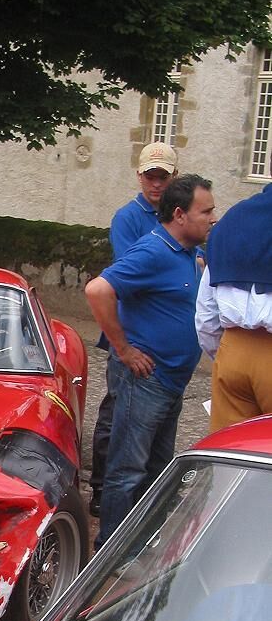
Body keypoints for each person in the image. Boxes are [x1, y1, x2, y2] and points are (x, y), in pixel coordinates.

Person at [85, 174, 216, 547]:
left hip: (171, 381)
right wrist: (124, 350)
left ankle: (141, 543)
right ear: (179, 214)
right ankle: (111, 550)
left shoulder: (189, 253)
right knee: (127, 470)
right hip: (145, 380)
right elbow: (98, 290)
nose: (213, 218)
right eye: (205, 211)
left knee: (157, 469)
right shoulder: (153, 251)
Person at [89, 142, 178, 515]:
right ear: (140, 176)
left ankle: (143, 499)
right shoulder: (128, 217)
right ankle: (100, 488)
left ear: (173, 177)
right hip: (129, 331)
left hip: (158, 339)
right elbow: (130, 275)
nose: (156, 184)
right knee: (115, 412)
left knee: (150, 423)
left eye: (162, 177)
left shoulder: (177, 215)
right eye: (150, 176)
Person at [195, 183, 272, 432]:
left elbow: (206, 312)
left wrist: (223, 354)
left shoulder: (230, 220)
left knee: (231, 447)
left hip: (232, 352)